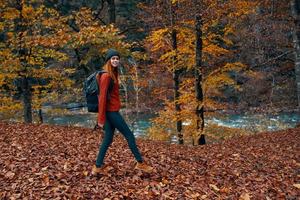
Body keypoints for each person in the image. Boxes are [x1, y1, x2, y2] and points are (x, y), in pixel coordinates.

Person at [92, 49, 153, 175]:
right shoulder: (106, 76)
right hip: (111, 112)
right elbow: (102, 98)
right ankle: (140, 163)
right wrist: (101, 119)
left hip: (110, 111)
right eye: (113, 58)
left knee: (108, 139)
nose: (115, 60)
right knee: (129, 135)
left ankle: (97, 166)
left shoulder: (112, 74)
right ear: (108, 60)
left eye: (117, 58)